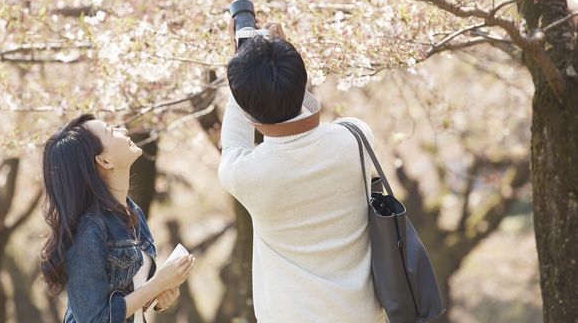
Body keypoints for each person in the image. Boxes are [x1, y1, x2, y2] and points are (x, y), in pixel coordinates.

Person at [218, 23, 386, 322]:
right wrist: (278, 62)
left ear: (246, 112)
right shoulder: (356, 138)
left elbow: (233, 140)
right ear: (302, 81)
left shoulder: (247, 175)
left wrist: (243, 65)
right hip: (363, 314)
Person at [39, 113, 196, 322]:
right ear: (104, 161)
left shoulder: (133, 213)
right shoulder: (89, 230)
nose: (123, 130)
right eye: (112, 131)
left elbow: (133, 296)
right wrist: (157, 284)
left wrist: (161, 298)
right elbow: (94, 319)